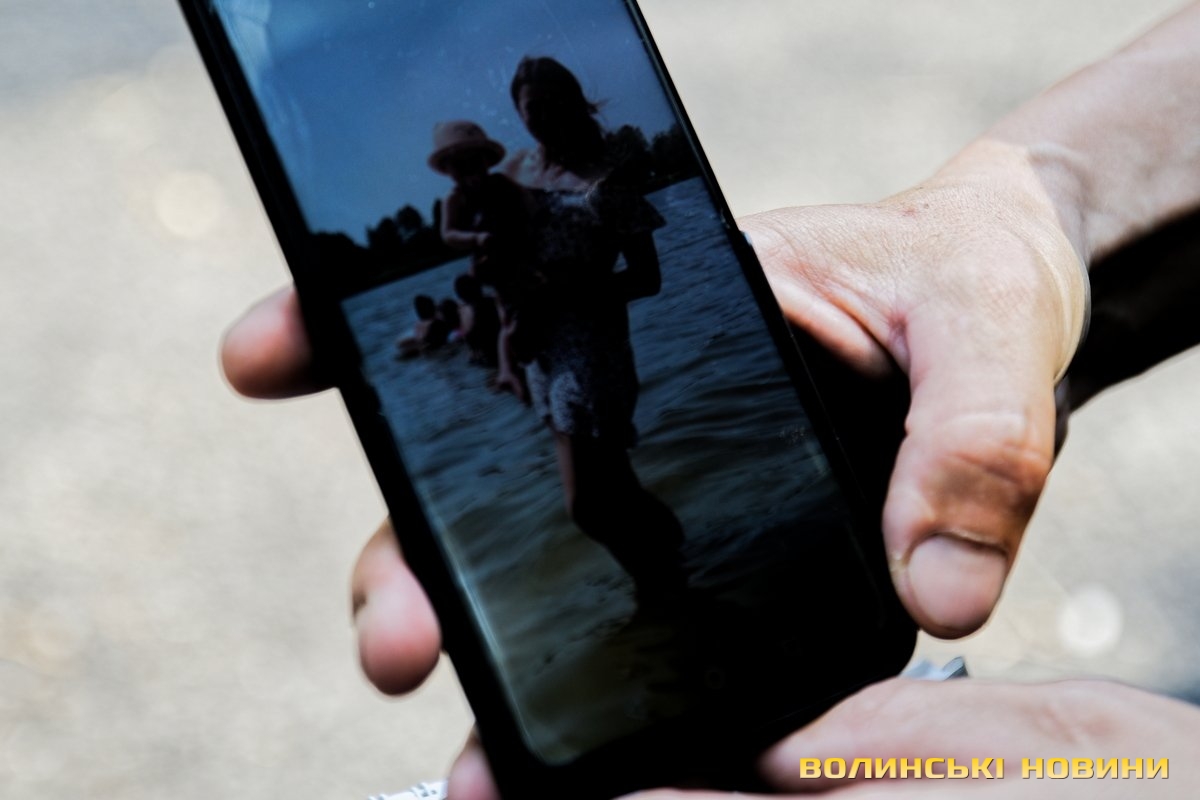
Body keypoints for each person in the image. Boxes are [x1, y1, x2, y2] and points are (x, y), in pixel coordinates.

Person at [219, 4, 1200, 797]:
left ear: (567, 103)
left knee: (589, 498)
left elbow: (642, 276)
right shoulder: (519, 176)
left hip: (593, 341)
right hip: (549, 343)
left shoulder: (613, 172)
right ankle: (679, 598)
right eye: (524, 107)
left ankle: (675, 596)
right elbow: (482, 252)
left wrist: (575, 281)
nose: (535, 120)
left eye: (545, 102)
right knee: (590, 501)